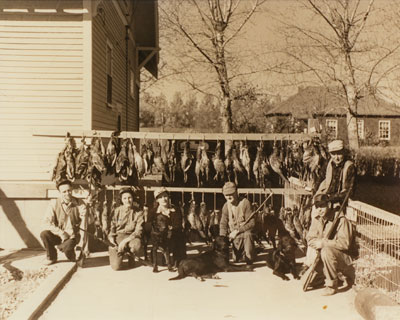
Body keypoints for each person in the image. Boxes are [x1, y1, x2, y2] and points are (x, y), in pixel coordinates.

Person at [305, 193, 355, 296]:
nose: (319, 209)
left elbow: (345, 244)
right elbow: (309, 238)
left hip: (343, 258)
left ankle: (331, 286)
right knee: (309, 282)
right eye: (317, 206)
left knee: (326, 251)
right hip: (322, 256)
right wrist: (316, 244)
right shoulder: (317, 219)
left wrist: (323, 243)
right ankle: (331, 275)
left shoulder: (341, 220)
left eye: (322, 206)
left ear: (329, 205)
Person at [40, 180, 88, 265]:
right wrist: (61, 232)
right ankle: (52, 257)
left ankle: (70, 253)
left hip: (73, 236)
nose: (67, 193)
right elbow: (46, 222)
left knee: (70, 253)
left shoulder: (80, 203)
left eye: (69, 190)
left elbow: (84, 226)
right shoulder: (54, 203)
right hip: (59, 235)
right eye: (64, 192)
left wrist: (82, 245)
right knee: (44, 234)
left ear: (72, 189)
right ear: (59, 192)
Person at [313, 139, 356, 213]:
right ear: (330, 154)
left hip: (340, 205)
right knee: (315, 218)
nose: (336, 157)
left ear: (344, 152)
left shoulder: (349, 167)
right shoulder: (328, 164)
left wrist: (331, 198)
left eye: (339, 153)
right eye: (333, 154)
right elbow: (320, 179)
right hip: (324, 202)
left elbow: (350, 191)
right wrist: (315, 193)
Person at [107, 187, 144, 270]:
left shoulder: (139, 212)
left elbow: (138, 231)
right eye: (125, 198)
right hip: (118, 236)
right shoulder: (116, 211)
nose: (127, 200)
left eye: (129, 197)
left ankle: (131, 255)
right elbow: (112, 228)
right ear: (121, 200)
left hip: (132, 237)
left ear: (133, 198)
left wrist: (124, 242)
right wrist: (112, 241)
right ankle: (120, 253)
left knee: (136, 246)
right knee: (116, 267)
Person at [219, 182, 255, 265]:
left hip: (244, 235)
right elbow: (223, 224)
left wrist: (238, 231)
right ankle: (241, 254)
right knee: (236, 260)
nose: (228, 197)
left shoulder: (245, 203)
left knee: (248, 234)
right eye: (226, 195)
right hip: (234, 238)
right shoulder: (225, 206)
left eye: (231, 194)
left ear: (236, 192)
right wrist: (222, 238)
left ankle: (249, 259)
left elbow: (252, 223)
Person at [151, 187, 186, 268]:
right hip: (159, 237)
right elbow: (150, 225)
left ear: (168, 197)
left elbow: (178, 225)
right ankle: (157, 260)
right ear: (157, 200)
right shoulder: (154, 212)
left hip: (172, 235)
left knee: (179, 237)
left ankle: (177, 259)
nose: (164, 199)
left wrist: (169, 230)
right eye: (160, 197)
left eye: (165, 196)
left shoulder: (176, 209)